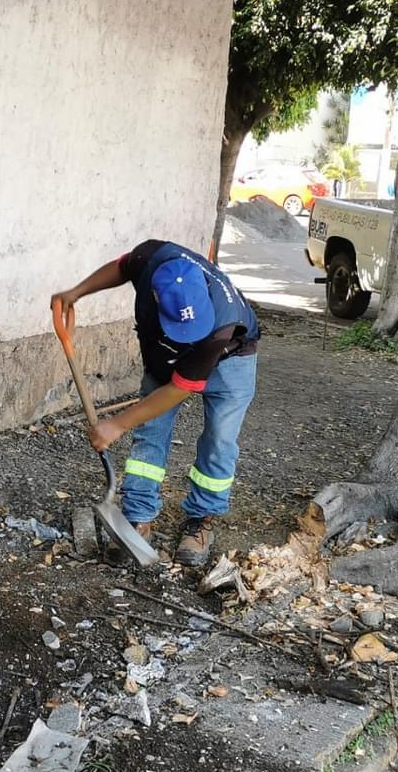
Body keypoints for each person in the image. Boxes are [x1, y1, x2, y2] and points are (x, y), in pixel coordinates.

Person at [51, 239, 259, 567]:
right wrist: (78, 291)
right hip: (164, 356)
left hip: (231, 357)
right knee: (150, 433)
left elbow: (179, 389)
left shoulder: (222, 322)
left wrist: (117, 423)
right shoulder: (151, 258)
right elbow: (122, 266)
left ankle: (201, 518)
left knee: (219, 439)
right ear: (156, 297)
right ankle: (138, 517)